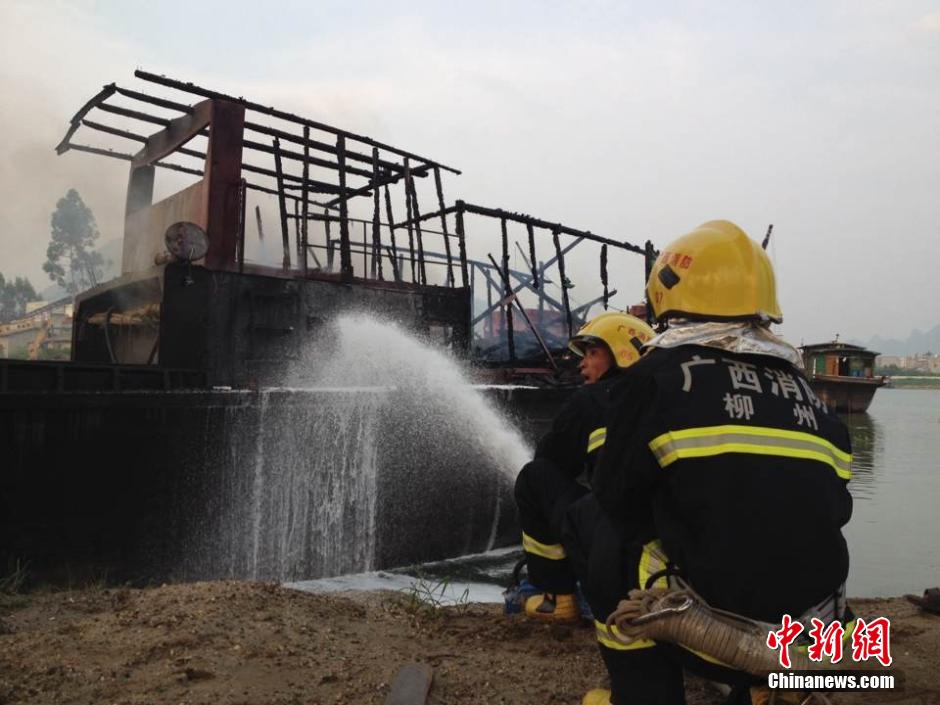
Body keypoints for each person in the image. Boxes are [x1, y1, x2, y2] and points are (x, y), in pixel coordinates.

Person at [585, 220, 854, 705]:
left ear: (667, 292)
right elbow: (837, 507)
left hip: (717, 632)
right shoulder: (806, 391)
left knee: (607, 537)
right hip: (816, 631)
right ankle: (762, 688)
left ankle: (644, 695)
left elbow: (616, 496)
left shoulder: (653, 377)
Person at [513, 311, 654, 622]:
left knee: (534, 479)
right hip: (668, 548)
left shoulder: (592, 399)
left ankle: (557, 597)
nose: (582, 364)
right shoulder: (668, 398)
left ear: (622, 354)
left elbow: (550, 461)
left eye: (592, 353)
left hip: (617, 542)